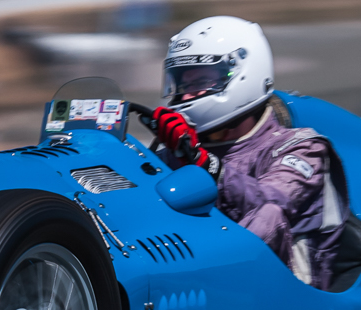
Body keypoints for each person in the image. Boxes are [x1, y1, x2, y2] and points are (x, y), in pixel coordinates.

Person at [150, 15, 350, 290]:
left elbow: (271, 201)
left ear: (244, 74)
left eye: (201, 81)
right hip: (195, 285)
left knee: (269, 215)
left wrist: (202, 164)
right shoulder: (180, 151)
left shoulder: (303, 147)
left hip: (291, 295)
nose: (185, 96)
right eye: (182, 84)